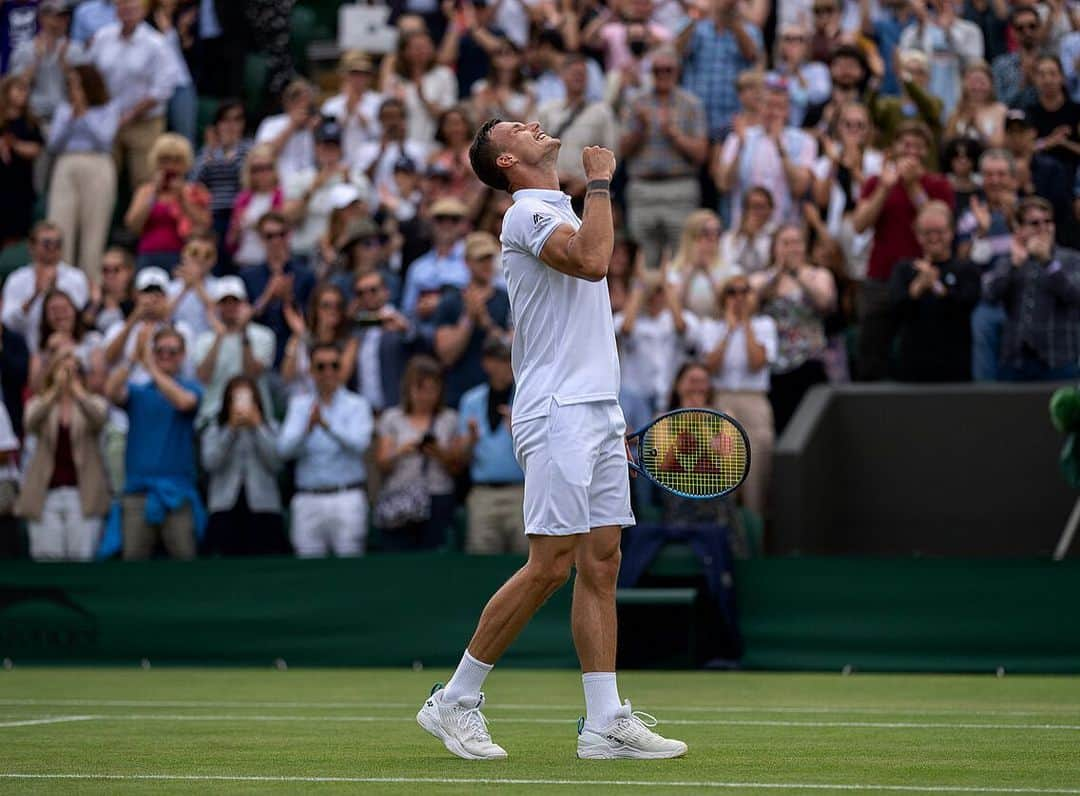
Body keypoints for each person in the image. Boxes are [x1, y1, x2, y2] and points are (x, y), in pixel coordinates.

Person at [414, 118, 686, 761]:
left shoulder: (558, 206)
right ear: (506, 160)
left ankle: (603, 722)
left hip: (596, 411)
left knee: (602, 563)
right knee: (551, 565)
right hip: (556, 411)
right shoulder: (524, 215)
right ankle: (453, 700)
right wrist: (600, 183)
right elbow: (593, 263)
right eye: (517, 128)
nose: (534, 125)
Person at [852, 120, 955, 380]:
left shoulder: (938, 185)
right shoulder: (876, 181)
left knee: (918, 347)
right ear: (894, 147)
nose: (911, 150)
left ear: (926, 151)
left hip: (921, 277)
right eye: (905, 144)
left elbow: (937, 224)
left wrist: (912, 186)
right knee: (872, 348)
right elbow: (860, 224)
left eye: (918, 146)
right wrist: (885, 188)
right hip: (881, 277)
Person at [105, 326, 204, 560]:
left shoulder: (191, 388)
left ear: (182, 355)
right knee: (134, 566)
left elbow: (183, 403)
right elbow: (110, 391)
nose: (165, 356)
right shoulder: (138, 392)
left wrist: (149, 365)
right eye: (160, 351)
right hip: (138, 493)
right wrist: (133, 358)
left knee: (185, 563)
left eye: (172, 351)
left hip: (177, 493)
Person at [277, 342, 374, 557]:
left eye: (334, 365)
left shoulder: (357, 405)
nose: (328, 372)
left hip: (347, 496)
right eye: (321, 366)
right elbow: (283, 450)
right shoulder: (299, 405)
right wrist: (307, 430)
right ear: (310, 370)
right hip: (308, 498)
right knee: (309, 574)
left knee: (350, 569)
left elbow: (361, 444)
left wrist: (327, 426)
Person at [619, 47, 709, 269]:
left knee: (680, 259)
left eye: (668, 70)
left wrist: (675, 135)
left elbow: (701, 154)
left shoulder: (691, 105)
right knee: (643, 259)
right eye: (657, 70)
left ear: (677, 71)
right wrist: (640, 130)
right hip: (643, 189)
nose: (662, 75)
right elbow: (622, 150)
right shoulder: (636, 103)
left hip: (680, 188)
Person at [16, 352, 111, 561]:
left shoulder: (94, 402)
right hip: (46, 493)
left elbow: (99, 419)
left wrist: (78, 393)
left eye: (75, 370)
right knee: (47, 557)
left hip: (83, 493)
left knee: (82, 556)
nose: (69, 375)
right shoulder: (40, 402)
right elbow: (30, 423)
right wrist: (54, 392)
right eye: (63, 369)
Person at [748, 224, 836, 433]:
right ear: (774, 248)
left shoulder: (818, 275)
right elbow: (751, 300)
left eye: (797, 242)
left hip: (810, 361)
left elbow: (825, 301)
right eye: (785, 243)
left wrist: (798, 275)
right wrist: (778, 273)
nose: (791, 248)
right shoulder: (763, 278)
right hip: (775, 365)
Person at [984, 197, 1080, 381]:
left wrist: (1048, 263)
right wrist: (1013, 266)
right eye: (1035, 223)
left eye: (1048, 221)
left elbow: (1075, 295)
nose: (1043, 227)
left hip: (1059, 361)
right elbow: (990, 295)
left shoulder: (1072, 259)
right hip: (1016, 361)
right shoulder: (1009, 260)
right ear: (1020, 229)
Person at [86, 0, 177, 191]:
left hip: (144, 123)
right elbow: (91, 75)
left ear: (143, 11)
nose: (127, 10)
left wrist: (132, 114)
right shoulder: (103, 37)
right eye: (122, 5)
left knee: (144, 182)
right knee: (101, 179)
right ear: (116, 10)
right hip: (108, 120)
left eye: (132, 6)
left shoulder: (156, 43)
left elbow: (163, 88)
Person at [373, 354, 460, 550]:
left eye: (432, 390)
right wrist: (402, 450)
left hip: (438, 498)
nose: (426, 396)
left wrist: (439, 452)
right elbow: (382, 463)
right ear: (408, 388)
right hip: (400, 498)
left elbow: (457, 467)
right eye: (420, 389)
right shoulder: (392, 418)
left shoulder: (450, 419)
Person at [889, 201, 981, 381]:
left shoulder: (966, 269)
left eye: (939, 231)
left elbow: (967, 305)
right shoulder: (904, 269)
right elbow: (896, 311)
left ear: (951, 232)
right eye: (926, 233)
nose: (933, 238)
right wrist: (918, 287)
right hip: (913, 367)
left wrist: (937, 286)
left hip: (955, 367)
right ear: (917, 235)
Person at [45, 64, 119, 281]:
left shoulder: (109, 108)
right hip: (66, 164)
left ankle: (91, 286)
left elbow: (105, 140)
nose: (72, 90)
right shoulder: (63, 110)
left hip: (97, 164)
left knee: (94, 233)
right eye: (69, 85)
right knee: (60, 226)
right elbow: (53, 145)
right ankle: (59, 285)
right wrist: (71, 118)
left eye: (76, 84)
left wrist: (84, 114)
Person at [201, 375, 288, 556]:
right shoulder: (214, 429)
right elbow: (210, 463)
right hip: (224, 508)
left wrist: (258, 427)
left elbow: (276, 463)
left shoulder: (270, 427)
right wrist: (230, 429)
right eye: (237, 398)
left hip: (263, 509)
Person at [456, 336, 527, 555]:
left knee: (527, 559)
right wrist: (471, 440)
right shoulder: (471, 400)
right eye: (500, 359)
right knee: (481, 559)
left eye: (509, 359)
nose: (506, 365)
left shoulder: (527, 397)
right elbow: (460, 457)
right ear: (487, 363)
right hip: (483, 493)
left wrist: (519, 431)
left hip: (522, 492)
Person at [716, 75, 816, 229]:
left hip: (783, 233)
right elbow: (723, 184)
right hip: (744, 229)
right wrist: (740, 149)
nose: (773, 112)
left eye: (779, 107)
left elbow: (799, 188)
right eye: (769, 105)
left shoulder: (804, 141)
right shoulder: (738, 138)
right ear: (759, 107)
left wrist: (780, 146)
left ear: (788, 110)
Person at [433, 231, 512, 408]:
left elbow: (513, 348)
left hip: (501, 394)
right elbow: (446, 355)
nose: (486, 265)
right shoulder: (450, 301)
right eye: (480, 259)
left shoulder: (506, 300)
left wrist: (486, 323)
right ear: (467, 262)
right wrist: (468, 318)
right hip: (458, 393)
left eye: (489, 258)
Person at [811, 101, 883, 281]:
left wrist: (854, 169)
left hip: (868, 234)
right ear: (838, 128)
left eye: (860, 125)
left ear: (868, 129)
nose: (854, 130)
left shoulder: (878, 161)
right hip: (834, 234)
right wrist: (835, 163)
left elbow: (876, 195)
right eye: (848, 124)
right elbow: (821, 200)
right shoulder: (826, 162)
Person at [193, 276, 276, 430]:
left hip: (255, 419)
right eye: (224, 302)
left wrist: (243, 333)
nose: (230, 306)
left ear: (244, 303)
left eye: (235, 301)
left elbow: (252, 373)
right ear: (217, 306)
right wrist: (219, 337)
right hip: (213, 420)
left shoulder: (264, 335)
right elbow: (203, 377)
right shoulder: (204, 340)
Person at [537, 54, 619, 208]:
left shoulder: (602, 112)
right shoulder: (547, 111)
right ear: (562, 76)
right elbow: (535, 151)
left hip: (587, 191)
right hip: (553, 189)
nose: (578, 78)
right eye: (574, 73)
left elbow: (612, 153)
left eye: (582, 74)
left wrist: (586, 182)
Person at [124, 133, 211, 273]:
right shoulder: (145, 191)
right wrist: (153, 194)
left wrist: (182, 198)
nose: (170, 166)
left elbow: (204, 224)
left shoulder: (195, 191)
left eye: (177, 160)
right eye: (164, 160)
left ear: (185, 163)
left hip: (182, 257)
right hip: (148, 256)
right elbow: (132, 224)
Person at [676, 0, 763, 140]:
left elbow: (752, 56)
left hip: (732, 119)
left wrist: (733, 24)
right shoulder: (695, 25)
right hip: (697, 117)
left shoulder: (750, 30)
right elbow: (677, 51)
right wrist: (697, 17)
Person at [239, 212, 316, 366]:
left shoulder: (306, 275)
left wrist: (289, 299)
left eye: (281, 235)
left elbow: (311, 318)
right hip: (258, 354)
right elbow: (243, 318)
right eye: (269, 236)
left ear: (288, 236)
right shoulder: (248, 277)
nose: (276, 241)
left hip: (293, 353)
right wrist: (268, 295)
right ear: (261, 239)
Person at [1, 222, 89, 354]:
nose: (53, 248)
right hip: (26, 351)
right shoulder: (16, 279)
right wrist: (34, 296)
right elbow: (9, 322)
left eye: (58, 243)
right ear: (32, 247)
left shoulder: (76, 277)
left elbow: (79, 319)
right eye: (47, 243)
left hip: (68, 350)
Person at [897, 0, 984, 120]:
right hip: (925, 105)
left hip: (958, 105)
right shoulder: (912, 31)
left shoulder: (970, 30)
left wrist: (948, 33)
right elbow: (906, 67)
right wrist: (921, 27)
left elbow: (974, 67)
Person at [194, 99, 253, 271]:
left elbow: (245, 177)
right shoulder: (209, 151)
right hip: (213, 216)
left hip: (238, 215)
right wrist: (212, 150)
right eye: (226, 120)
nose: (231, 125)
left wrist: (230, 150)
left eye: (237, 120)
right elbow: (196, 179)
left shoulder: (248, 148)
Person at [401, 196, 471, 338]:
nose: (447, 225)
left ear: (463, 225)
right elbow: (407, 310)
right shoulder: (418, 267)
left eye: (454, 220)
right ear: (431, 224)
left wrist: (442, 304)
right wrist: (418, 310)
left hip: (461, 332)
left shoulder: (472, 259)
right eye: (440, 219)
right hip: (424, 333)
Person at [348, 270, 416, 414]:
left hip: (396, 410)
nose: (367, 296)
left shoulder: (403, 320)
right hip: (363, 411)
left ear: (386, 292)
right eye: (360, 293)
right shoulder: (355, 328)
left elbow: (420, 343)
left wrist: (405, 330)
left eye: (373, 290)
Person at [10, 0, 82, 127]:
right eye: (55, 16)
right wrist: (35, 61)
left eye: (64, 16)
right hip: (34, 118)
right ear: (42, 18)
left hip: (68, 119)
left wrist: (66, 67)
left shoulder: (76, 49)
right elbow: (14, 89)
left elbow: (86, 91)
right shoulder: (25, 49)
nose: (59, 21)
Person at [281, 283, 359, 397]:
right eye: (326, 306)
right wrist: (300, 336)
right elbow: (286, 376)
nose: (333, 310)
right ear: (315, 309)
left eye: (337, 306)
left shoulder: (349, 341)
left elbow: (340, 379)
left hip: (335, 403)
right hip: (301, 401)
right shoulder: (300, 335)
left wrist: (306, 337)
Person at [384, 29, 459, 146]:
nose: (423, 51)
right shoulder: (396, 79)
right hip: (403, 145)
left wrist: (423, 98)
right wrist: (397, 105)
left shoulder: (444, 75)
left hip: (434, 144)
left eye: (426, 46)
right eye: (417, 47)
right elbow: (385, 117)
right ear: (405, 51)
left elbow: (448, 115)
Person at [28, 287, 106, 396]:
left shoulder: (93, 340)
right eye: (54, 310)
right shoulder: (41, 350)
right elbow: (36, 389)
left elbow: (98, 384)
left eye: (64, 308)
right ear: (45, 316)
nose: (60, 314)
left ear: (75, 311)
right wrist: (51, 355)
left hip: (85, 403)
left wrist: (72, 362)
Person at [665, 210, 739, 320]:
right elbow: (672, 308)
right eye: (706, 233)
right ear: (691, 236)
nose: (713, 238)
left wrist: (708, 273)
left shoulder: (731, 270)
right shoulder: (673, 270)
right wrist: (690, 272)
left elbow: (729, 308)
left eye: (717, 232)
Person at [0, 74, 45, 247]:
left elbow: (36, 149)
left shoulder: (30, 123)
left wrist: (14, 145)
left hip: (19, 188)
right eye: (18, 89)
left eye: (26, 90)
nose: (23, 94)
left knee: (15, 235)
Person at [226, 143, 285, 270]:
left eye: (267, 168)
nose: (262, 173)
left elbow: (280, 230)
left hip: (270, 263)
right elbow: (231, 240)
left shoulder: (281, 196)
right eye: (256, 169)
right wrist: (236, 229)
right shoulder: (242, 199)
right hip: (244, 260)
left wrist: (255, 225)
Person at [321, 50, 383, 166]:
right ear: (344, 75)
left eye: (363, 73)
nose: (358, 78)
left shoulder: (379, 101)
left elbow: (380, 134)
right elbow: (328, 139)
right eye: (354, 73)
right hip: (340, 164)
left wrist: (358, 112)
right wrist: (348, 112)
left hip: (371, 164)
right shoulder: (330, 105)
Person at [254, 79, 319, 181]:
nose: (303, 106)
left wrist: (315, 133)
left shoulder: (314, 126)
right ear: (288, 103)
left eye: (307, 102)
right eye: (299, 101)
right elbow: (264, 154)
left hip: (310, 180)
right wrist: (291, 126)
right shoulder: (271, 123)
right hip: (280, 181)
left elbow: (325, 158)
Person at [470, 38, 536, 124]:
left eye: (512, 53)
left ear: (519, 58)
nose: (507, 57)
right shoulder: (481, 87)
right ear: (493, 59)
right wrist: (485, 106)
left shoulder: (529, 88)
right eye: (501, 53)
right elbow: (477, 122)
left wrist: (503, 107)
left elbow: (527, 122)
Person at [946, 60, 1007, 148]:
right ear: (965, 84)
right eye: (973, 82)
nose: (977, 87)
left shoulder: (1000, 110)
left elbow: (999, 145)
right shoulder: (956, 112)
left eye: (982, 82)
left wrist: (978, 126)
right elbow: (947, 144)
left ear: (991, 84)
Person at [991, 7, 1043, 109]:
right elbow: (998, 105)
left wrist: (1036, 81)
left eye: (1032, 26)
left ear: (1040, 28)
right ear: (1013, 32)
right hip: (1012, 122)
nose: (1027, 32)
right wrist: (1021, 84)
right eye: (1020, 28)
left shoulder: (1052, 61)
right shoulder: (1001, 65)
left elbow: (1058, 102)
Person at [720, 187, 775, 276]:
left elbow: (770, 266)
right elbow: (728, 264)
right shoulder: (730, 237)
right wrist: (748, 239)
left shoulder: (777, 235)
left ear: (770, 209)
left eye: (761, 207)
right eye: (751, 207)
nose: (756, 212)